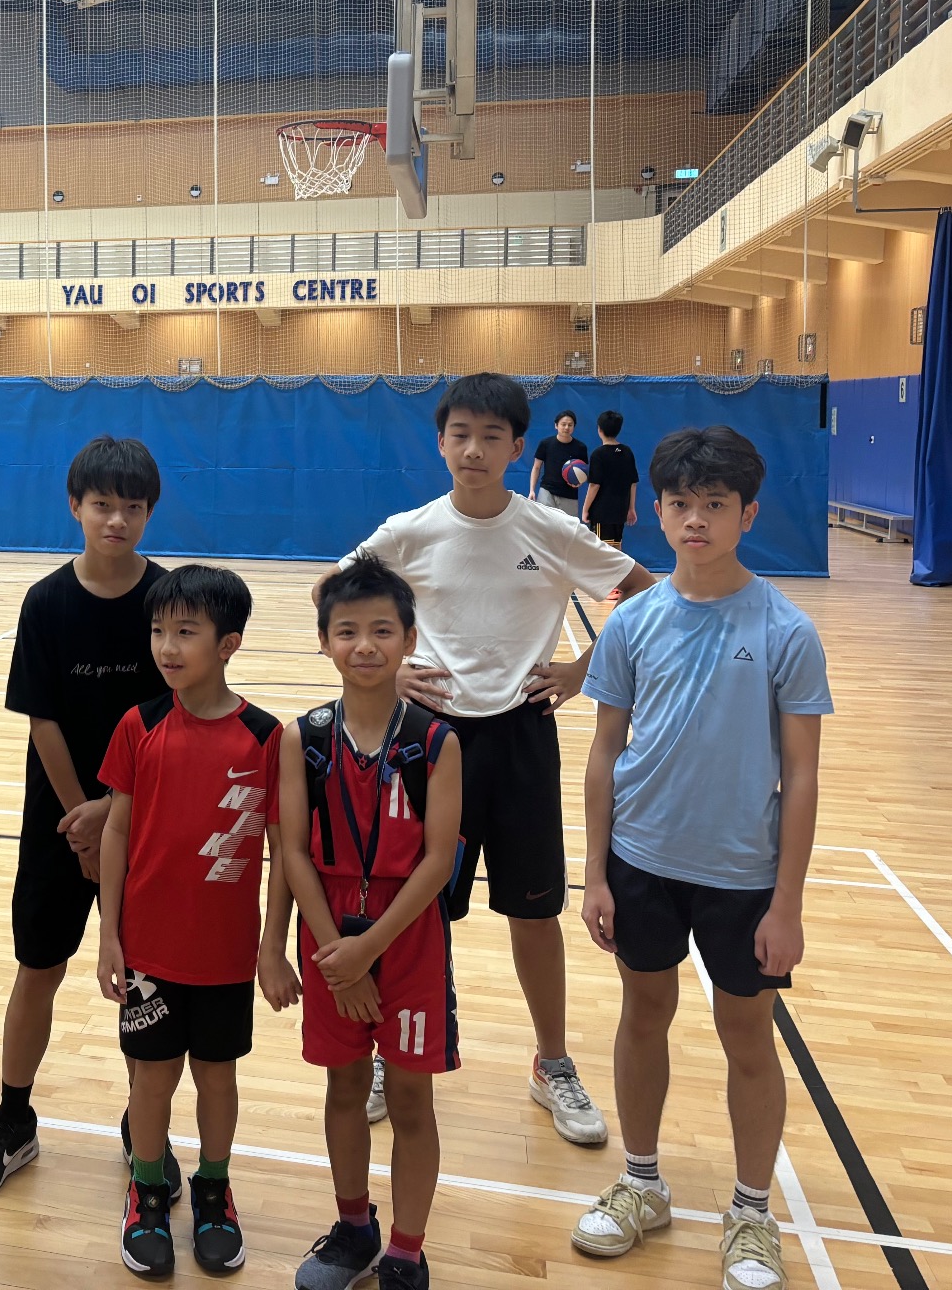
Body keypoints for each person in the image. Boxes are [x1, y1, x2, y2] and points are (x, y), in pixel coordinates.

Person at [313, 372, 654, 1148]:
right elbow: (332, 594)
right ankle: (391, 1053)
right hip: (428, 741)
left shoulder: (549, 529)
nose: (473, 449)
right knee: (415, 911)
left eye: (490, 436)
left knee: (534, 914)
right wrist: (387, 673)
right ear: (440, 443)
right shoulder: (410, 531)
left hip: (522, 736)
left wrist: (584, 670)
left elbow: (645, 594)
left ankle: (552, 1062)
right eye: (460, 434)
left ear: (517, 447)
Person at [571, 427, 831, 1290]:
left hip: (744, 876)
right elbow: (604, 752)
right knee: (643, 1013)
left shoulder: (786, 630)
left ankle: (751, 1214)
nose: (695, 520)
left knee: (746, 1034)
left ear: (747, 514)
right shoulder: (633, 622)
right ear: (656, 509)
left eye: (715, 505)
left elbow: (802, 774)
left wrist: (787, 904)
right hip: (642, 862)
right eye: (681, 503)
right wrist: (596, 872)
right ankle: (642, 1183)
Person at [0, 435, 173, 1201]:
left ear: (149, 513)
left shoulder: (168, 601)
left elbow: (175, 719)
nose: (117, 520)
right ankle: (13, 1118)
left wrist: (114, 811)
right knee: (37, 968)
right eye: (102, 504)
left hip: (144, 816)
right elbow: (42, 719)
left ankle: (146, 1125)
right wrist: (83, 816)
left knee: (144, 978)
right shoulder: (47, 602)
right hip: (61, 819)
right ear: (75, 506)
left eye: (132, 507)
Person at [94, 565, 287, 1277]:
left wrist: (272, 946)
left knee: (216, 1076)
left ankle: (213, 1190)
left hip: (226, 955)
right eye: (158, 631)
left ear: (228, 643)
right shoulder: (138, 724)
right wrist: (108, 935)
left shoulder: (265, 737)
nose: (167, 647)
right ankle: (147, 1193)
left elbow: (284, 852)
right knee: (151, 1079)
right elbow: (117, 831)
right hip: (149, 950)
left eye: (186, 632)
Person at [277, 559, 463, 1290]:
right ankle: (354, 1228)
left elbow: (439, 860)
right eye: (347, 631)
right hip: (328, 933)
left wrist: (367, 951)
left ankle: (408, 1251)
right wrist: (334, 954)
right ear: (324, 641)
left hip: (407, 938)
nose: (364, 645)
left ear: (409, 640)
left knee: (411, 1098)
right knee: (345, 1087)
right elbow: (292, 851)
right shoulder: (303, 738)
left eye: (382, 630)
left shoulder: (436, 742)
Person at [582, 411, 641, 546]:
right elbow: (633, 483)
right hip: (620, 511)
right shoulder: (627, 452)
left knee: (601, 550)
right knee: (616, 548)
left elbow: (594, 485)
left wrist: (585, 509)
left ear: (599, 429)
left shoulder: (598, 454)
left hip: (602, 513)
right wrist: (631, 508)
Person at [529, 409, 590, 515]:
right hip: (547, 491)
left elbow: (583, 471)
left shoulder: (580, 447)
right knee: (544, 523)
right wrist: (532, 490)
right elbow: (536, 467)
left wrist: (579, 482)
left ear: (574, 427)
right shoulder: (545, 444)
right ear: (556, 425)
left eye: (570, 425)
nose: (566, 427)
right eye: (563, 424)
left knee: (568, 525)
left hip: (569, 495)